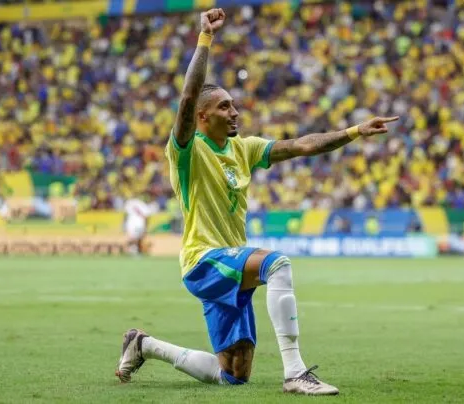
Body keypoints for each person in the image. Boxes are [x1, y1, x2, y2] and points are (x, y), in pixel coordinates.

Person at [115, 8, 398, 395]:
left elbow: (299, 145)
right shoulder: (187, 152)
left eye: (233, 105)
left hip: (228, 262)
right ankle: (295, 372)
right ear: (201, 117)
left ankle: (143, 344)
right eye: (224, 107)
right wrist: (205, 38)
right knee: (277, 263)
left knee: (233, 373)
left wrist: (353, 131)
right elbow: (185, 98)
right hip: (204, 259)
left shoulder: (243, 148)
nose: (235, 112)